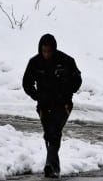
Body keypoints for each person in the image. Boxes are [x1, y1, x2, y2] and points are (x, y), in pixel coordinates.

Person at [23, 34, 82, 178]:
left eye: (49, 51)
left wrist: (67, 89)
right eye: (44, 51)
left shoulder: (66, 61)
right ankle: (54, 168)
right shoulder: (35, 63)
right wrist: (37, 96)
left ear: (54, 49)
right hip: (44, 105)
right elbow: (26, 83)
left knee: (54, 131)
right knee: (49, 134)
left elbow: (77, 80)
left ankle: (50, 165)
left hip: (63, 104)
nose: (47, 54)